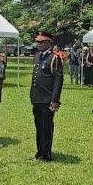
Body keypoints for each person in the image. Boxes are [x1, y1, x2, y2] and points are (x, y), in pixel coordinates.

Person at [30, 31, 64, 161]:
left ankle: (46, 154)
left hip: (47, 99)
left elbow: (58, 81)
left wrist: (55, 100)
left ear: (49, 42)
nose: (39, 45)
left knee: (46, 127)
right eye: (38, 42)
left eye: (42, 42)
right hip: (37, 98)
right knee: (38, 126)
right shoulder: (37, 56)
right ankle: (39, 151)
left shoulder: (54, 58)